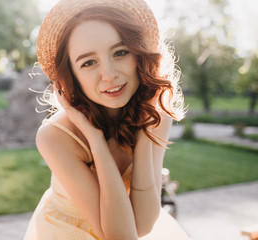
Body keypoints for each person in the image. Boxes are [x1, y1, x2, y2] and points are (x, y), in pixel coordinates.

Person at [24, 0, 189, 239]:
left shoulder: (156, 113)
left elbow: (141, 225)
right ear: (72, 75)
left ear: (139, 54)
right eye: (88, 62)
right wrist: (95, 140)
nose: (110, 75)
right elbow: (119, 236)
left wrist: (144, 131)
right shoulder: (55, 136)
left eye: (120, 52)